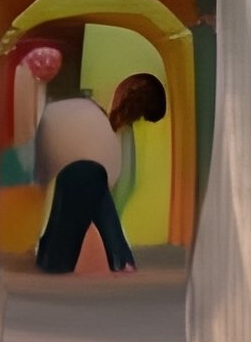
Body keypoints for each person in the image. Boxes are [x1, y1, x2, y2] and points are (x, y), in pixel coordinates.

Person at [29, 72, 167, 275]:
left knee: (60, 242)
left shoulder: (99, 120)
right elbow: (115, 176)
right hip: (82, 172)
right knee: (89, 190)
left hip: (74, 171)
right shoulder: (104, 125)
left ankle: (119, 258)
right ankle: (120, 258)